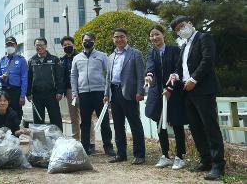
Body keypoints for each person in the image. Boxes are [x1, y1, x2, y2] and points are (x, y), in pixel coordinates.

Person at [170, 16, 225, 181]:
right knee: (195, 128)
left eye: (182, 26)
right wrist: (175, 74)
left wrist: (194, 79)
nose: (181, 30)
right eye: (177, 30)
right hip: (188, 92)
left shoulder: (203, 37)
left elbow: (208, 60)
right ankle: (206, 159)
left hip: (203, 90)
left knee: (210, 127)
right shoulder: (184, 45)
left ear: (190, 24)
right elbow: (180, 67)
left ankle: (218, 165)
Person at [144, 25, 187, 170]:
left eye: (157, 34)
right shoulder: (151, 52)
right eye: (152, 35)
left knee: (177, 124)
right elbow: (150, 68)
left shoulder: (174, 50)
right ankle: (165, 156)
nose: (154, 37)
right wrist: (149, 76)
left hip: (174, 94)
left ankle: (180, 157)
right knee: (160, 125)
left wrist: (170, 88)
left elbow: (177, 69)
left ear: (163, 35)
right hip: (157, 94)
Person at [104, 28, 146, 165]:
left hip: (130, 94)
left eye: (121, 36)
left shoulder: (135, 54)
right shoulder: (110, 57)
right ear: (113, 39)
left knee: (135, 125)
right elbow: (108, 78)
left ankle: (139, 155)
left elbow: (141, 75)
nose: (119, 39)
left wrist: (140, 92)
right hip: (114, 93)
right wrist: (106, 94)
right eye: (116, 37)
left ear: (126, 38)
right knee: (118, 125)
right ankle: (121, 154)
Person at [71, 32, 115, 156]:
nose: (87, 42)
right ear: (82, 42)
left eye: (90, 40)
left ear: (94, 41)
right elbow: (73, 75)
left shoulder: (102, 56)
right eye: (85, 40)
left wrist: (107, 91)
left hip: (99, 93)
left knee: (105, 121)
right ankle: (85, 148)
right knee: (85, 122)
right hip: (83, 93)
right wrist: (75, 92)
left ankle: (108, 147)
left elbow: (109, 73)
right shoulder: (77, 57)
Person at [26, 37, 64, 131]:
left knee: (55, 119)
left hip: (52, 95)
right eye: (37, 45)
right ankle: (39, 143)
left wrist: (60, 91)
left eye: (42, 45)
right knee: (38, 121)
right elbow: (29, 78)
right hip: (36, 95)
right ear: (35, 46)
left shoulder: (54, 59)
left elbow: (60, 77)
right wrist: (28, 93)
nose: (39, 47)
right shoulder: (31, 61)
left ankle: (58, 141)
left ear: (46, 46)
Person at [0, 36, 28, 118]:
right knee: (2, 113)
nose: (10, 47)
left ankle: (15, 130)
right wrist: (1, 78)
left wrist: (22, 96)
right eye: (8, 45)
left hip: (16, 92)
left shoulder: (21, 60)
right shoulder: (1, 60)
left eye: (12, 45)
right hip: (4, 91)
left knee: (16, 114)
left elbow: (24, 79)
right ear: (5, 46)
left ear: (16, 45)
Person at [60, 36, 81, 140]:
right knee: (73, 117)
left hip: (82, 89)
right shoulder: (62, 60)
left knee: (86, 116)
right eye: (65, 45)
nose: (67, 46)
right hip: (69, 91)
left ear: (74, 45)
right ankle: (76, 140)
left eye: (69, 44)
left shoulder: (80, 56)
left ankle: (90, 142)